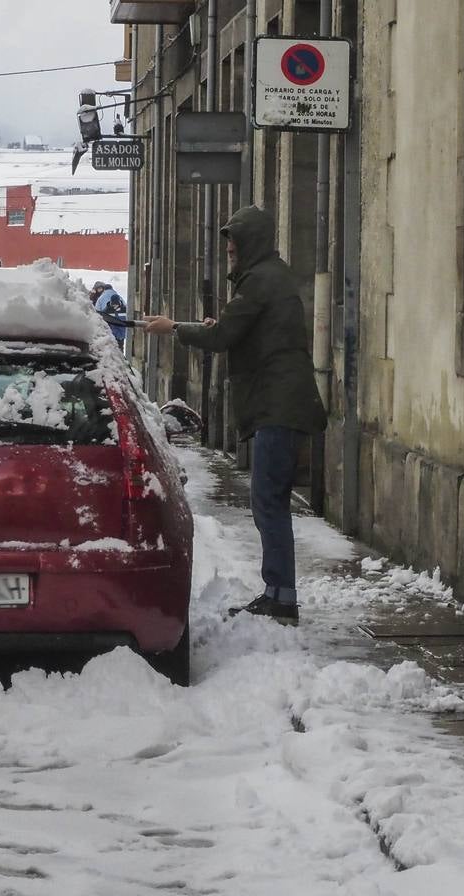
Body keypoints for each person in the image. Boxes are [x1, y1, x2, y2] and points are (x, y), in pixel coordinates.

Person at [144, 206, 325, 625]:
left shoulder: (260, 280)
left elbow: (224, 335)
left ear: (251, 243)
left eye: (233, 244)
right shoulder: (268, 277)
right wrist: (209, 325)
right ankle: (279, 593)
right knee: (270, 502)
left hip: (277, 405)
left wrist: (174, 328)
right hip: (278, 402)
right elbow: (235, 329)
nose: (229, 251)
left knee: (268, 502)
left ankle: (281, 598)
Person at [93, 282, 130, 351]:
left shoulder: (101, 298)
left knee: (110, 348)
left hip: (109, 329)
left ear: (104, 290)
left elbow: (97, 313)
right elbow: (126, 311)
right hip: (121, 331)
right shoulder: (119, 297)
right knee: (120, 347)